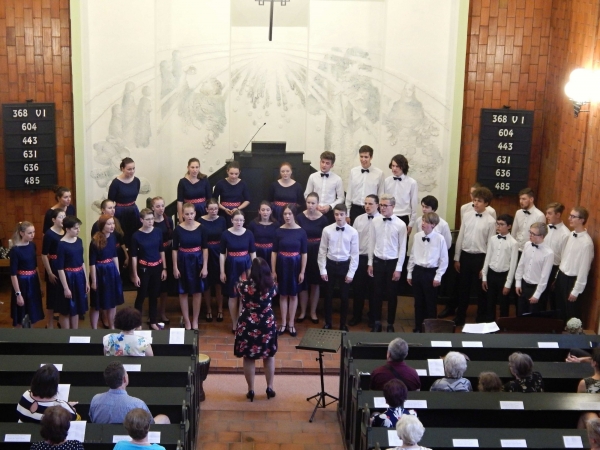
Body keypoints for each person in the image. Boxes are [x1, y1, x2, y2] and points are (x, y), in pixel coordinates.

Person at [234, 257, 278, 402]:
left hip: (248, 325)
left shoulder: (243, 286)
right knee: (269, 356)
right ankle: (269, 387)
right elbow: (274, 293)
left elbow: (237, 288)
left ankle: (251, 390)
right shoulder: (271, 286)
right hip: (267, 324)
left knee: (249, 357)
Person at [452, 187, 496, 326]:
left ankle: (480, 318)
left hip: (480, 258)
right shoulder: (467, 215)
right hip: (465, 256)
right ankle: (460, 317)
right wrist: (457, 257)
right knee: (462, 289)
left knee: (480, 291)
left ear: (486, 204)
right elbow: (461, 236)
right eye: (475, 200)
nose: (476, 203)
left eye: (479, 201)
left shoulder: (490, 221)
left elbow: (490, 244)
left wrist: (485, 267)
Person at [368, 194, 407, 332]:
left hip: (392, 262)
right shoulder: (375, 221)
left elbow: (402, 248)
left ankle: (390, 323)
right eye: (381, 205)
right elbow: (371, 242)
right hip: (378, 261)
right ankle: (377, 322)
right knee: (376, 293)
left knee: (392, 295)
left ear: (393, 206)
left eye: (386, 205)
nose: (382, 208)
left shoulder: (401, 224)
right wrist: (370, 263)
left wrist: (399, 268)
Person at [318, 204, 359, 331]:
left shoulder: (353, 232)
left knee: (345, 297)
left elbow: (354, 254)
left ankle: (342, 324)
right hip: (330, 264)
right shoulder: (327, 230)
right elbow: (322, 251)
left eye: (341, 214)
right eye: (336, 214)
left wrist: (351, 273)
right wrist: (323, 270)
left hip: (344, 265)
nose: (339, 217)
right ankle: (328, 322)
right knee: (328, 296)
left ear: (346, 214)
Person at [407, 212, 448, 332]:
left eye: (426, 222)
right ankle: (418, 326)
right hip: (418, 271)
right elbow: (413, 255)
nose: (423, 223)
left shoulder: (440, 238)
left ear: (433, 225)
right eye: (423, 221)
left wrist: (438, 276)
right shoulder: (417, 236)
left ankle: (430, 328)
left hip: (431, 273)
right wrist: (410, 272)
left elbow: (444, 259)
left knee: (430, 303)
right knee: (418, 302)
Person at [89, 361, 169, 424]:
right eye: (126, 373)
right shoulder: (138, 405)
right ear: (124, 379)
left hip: (103, 442)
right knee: (164, 418)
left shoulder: (95, 400)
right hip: (132, 441)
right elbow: (150, 426)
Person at [271, 204, 307, 337]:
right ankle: (283, 323)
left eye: (289, 214)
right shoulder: (278, 231)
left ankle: (291, 323)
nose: (287, 216)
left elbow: (304, 253)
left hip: (295, 266)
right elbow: (274, 252)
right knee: (283, 294)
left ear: (294, 215)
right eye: (285, 214)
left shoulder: (301, 232)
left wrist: (302, 271)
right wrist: (273, 270)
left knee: (293, 295)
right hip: (282, 264)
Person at [172, 203, 208, 330]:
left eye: (191, 213)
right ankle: (187, 320)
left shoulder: (202, 228)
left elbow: (205, 249)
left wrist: (205, 267)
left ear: (195, 214)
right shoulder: (178, 229)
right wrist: (175, 267)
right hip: (183, 261)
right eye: (186, 214)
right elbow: (174, 249)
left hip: (197, 261)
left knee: (197, 292)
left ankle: (195, 320)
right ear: (182, 214)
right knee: (183, 292)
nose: (189, 216)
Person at [220, 209, 256, 333]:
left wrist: (254, 269)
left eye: (241, 220)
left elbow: (252, 253)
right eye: (236, 220)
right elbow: (222, 254)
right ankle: (234, 323)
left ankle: (241, 321)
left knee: (243, 295)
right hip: (231, 266)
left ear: (244, 221)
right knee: (232, 295)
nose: (238, 222)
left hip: (245, 266)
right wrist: (222, 271)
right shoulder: (225, 234)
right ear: (232, 220)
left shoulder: (249, 234)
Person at [130, 208, 167, 330]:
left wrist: (164, 268)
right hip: (144, 268)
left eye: (152, 219)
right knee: (141, 296)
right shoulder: (136, 236)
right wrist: (135, 274)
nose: (151, 221)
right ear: (141, 220)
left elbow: (161, 250)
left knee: (154, 295)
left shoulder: (157, 231)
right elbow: (134, 257)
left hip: (157, 267)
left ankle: (153, 321)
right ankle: (137, 323)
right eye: (148, 219)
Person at [555, 206, 594, 321]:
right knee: (559, 309)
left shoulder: (586, 243)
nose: (569, 218)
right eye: (570, 216)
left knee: (571, 313)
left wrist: (576, 290)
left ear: (582, 220)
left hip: (572, 281)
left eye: (573, 216)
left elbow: (584, 269)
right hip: (562, 276)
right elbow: (565, 257)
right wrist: (558, 276)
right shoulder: (571, 235)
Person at [296, 192, 329, 324]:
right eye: (308, 202)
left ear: (317, 204)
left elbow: (326, 239)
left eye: (313, 203)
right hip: (302, 251)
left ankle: (313, 312)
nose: (310, 205)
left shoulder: (323, 219)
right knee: (303, 282)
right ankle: (303, 311)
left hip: (317, 251)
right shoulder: (299, 217)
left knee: (315, 283)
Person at [89, 215, 125, 329]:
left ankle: (112, 326)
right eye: (109, 224)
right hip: (100, 271)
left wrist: (117, 273)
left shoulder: (113, 237)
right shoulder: (95, 240)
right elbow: (92, 263)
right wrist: (94, 281)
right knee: (96, 303)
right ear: (102, 225)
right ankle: (94, 329)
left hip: (111, 271)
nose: (112, 226)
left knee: (112, 302)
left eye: (113, 223)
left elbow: (115, 256)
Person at [349, 194, 379, 327]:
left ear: (377, 205)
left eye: (370, 204)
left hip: (375, 260)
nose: (367, 206)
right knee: (358, 290)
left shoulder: (382, 220)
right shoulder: (358, 219)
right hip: (360, 258)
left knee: (374, 291)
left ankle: (373, 318)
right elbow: (353, 240)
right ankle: (357, 316)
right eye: (365, 203)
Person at [481, 214, 518, 320]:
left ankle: (503, 324)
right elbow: (487, 258)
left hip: (504, 275)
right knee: (490, 301)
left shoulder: (513, 243)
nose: (498, 226)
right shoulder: (493, 239)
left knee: (504, 302)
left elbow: (513, 265)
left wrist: (508, 284)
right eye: (497, 224)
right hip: (491, 274)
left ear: (509, 226)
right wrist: (484, 276)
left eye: (502, 224)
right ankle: (489, 322)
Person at [56, 216, 89, 330]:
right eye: (75, 228)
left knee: (76, 309)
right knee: (66, 309)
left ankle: (75, 333)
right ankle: (66, 335)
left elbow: (82, 262)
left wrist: (86, 281)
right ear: (67, 229)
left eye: (79, 228)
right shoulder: (61, 244)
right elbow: (60, 268)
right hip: (68, 277)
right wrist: (66, 287)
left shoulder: (79, 241)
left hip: (79, 276)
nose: (78, 230)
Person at [514, 223, 554, 316]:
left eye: (533, 234)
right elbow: (521, 265)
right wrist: (518, 282)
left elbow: (544, 277)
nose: (530, 235)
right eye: (530, 232)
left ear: (542, 236)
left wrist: (537, 294)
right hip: (524, 285)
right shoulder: (527, 245)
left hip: (535, 288)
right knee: (520, 313)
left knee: (532, 317)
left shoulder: (549, 253)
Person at [10, 221, 44, 327]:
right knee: (21, 312)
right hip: (22, 283)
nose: (33, 235)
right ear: (21, 233)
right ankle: (19, 339)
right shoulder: (15, 250)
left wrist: (40, 284)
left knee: (32, 312)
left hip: (33, 281)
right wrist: (18, 294)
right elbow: (13, 274)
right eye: (29, 233)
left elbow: (35, 266)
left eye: (33, 232)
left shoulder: (32, 245)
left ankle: (30, 337)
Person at [198, 198, 227, 323]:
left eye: (216, 208)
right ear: (206, 209)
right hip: (205, 252)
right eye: (211, 209)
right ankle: (209, 309)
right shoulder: (200, 221)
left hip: (219, 252)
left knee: (219, 283)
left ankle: (220, 309)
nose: (214, 211)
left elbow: (225, 237)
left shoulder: (222, 219)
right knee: (207, 283)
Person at [345, 145, 384, 225]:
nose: (363, 159)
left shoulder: (379, 173)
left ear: (371, 157)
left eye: (366, 157)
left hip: (372, 209)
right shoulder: (353, 171)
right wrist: (347, 213)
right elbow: (349, 193)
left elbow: (380, 194)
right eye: (361, 156)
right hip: (355, 209)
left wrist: (381, 212)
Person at [108, 157, 141, 249]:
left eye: (133, 168)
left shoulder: (137, 181)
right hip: (120, 213)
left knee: (134, 237)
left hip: (133, 211)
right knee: (121, 237)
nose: (132, 171)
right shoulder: (115, 183)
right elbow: (110, 201)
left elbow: (135, 195)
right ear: (122, 169)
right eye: (129, 169)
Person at [542, 202, 570, 310]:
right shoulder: (545, 228)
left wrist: (556, 277)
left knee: (552, 299)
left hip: (554, 269)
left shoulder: (565, 234)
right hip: (541, 265)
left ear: (558, 215)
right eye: (546, 213)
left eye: (549, 213)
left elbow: (564, 258)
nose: (546, 216)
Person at [304, 151, 344, 223]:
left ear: (332, 165)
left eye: (327, 163)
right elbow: (307, 194)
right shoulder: (312, 177)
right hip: (314, 211)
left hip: (330, 213)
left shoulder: (337, 179)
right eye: (322, 162)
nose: (324, 165)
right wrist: (315, 205)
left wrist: (330, 206)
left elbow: (341, 198)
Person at [152, 197, 174, 324]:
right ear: (153, 208)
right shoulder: (150, 221)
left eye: (162, 206)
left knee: (164, 287)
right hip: (154, 254)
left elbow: (170, 238)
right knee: (154, 286)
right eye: (158, 206)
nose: (161, 208)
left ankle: (162, 312)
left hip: (167, 253)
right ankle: (152, 313)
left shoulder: (168, 221)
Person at [383, 154, 418, 235]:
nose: (394, 168)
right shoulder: (386, 181)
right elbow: (383, 201)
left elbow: (414, 204)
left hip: (403, 217)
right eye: (393, 166)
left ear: (403, 167)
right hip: (388, 215)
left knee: (403, 245)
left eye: (397, 166)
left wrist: (411, 224)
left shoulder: (412, 183)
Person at [42, 209, 65, 329]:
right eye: (60, 217)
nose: (63, 219)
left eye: (64, 216)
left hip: (64, 266)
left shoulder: (65, 231)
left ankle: (61, 320)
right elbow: (44, 254)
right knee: (51, 297)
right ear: (53, 220)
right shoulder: (49, 234)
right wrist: (49, 272)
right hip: (53, 266)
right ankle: (49, 323)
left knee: (62, 295)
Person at [213, 161, 250, 227]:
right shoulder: (220, 183)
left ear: (239, 173)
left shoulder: (243, 184)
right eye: (231, 173)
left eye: (236, 174)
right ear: (227, 172)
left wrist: (238, 208)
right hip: (223, 211)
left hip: (237, 212)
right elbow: (214, 200)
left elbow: (247, 200)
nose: (233, 176)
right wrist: (224, 209)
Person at [511, 188, 545, 254]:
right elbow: (514, 232)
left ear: (531, 199)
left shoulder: (540, 216)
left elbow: (540, 237)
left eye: (524, 199)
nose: (521, 201)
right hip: (516, 249)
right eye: (520, 199)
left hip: (530, 251)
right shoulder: (518, 213)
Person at [177, 157, 212, 222]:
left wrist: (209, 213)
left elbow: (209, 199)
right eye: (192, 167)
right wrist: (180, 218)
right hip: (188, 212)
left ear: (199, 168)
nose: (195, 170)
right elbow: (180, 202)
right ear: (188, 168)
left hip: (203, 211)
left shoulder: (205, 180)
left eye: (197, 167)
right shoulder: (182, 182)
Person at [247, 201, 279, 270]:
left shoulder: (276, 224)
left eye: (268, 210)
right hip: (257, 252)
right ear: (259, 211)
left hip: (271, 253)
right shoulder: (253, 224)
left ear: (271, 211)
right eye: (263, 210)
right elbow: (249, 239)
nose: (265, 212)